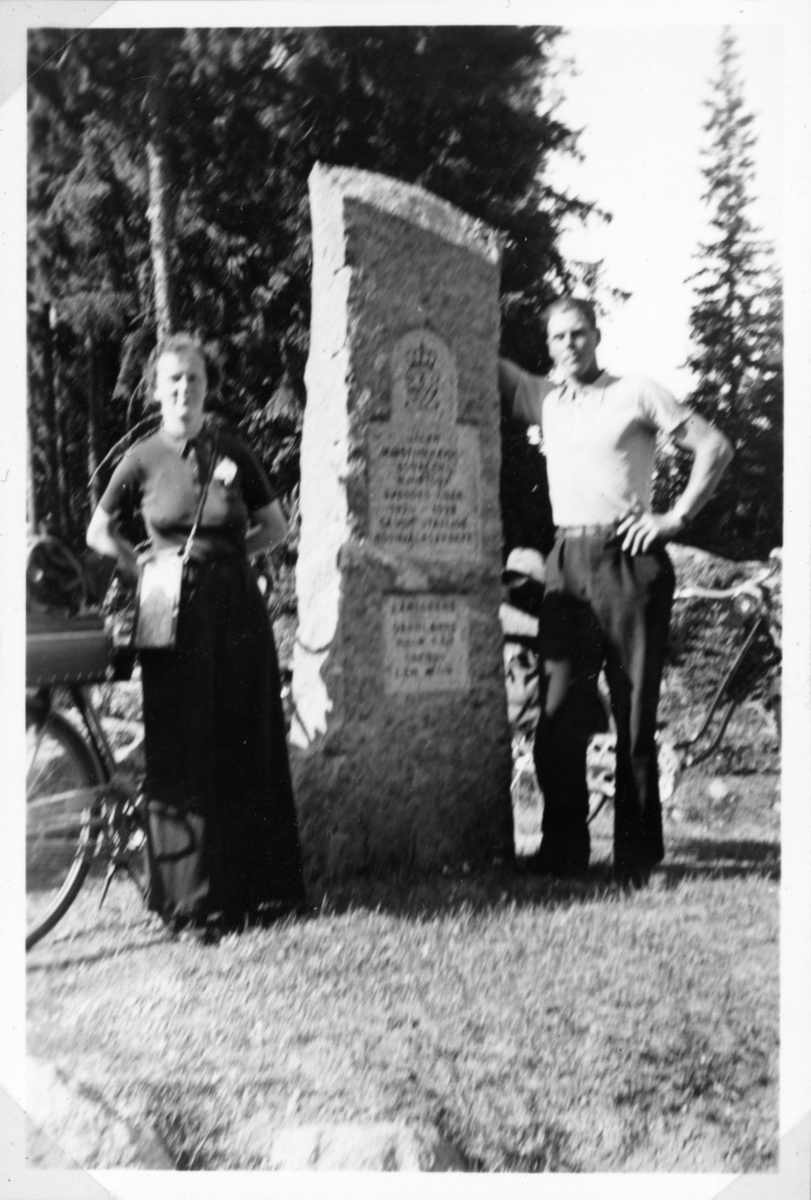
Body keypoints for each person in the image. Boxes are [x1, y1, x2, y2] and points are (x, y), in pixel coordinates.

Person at [499, 298, 733, 885]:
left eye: (578, 333)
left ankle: (636, 857)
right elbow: (477, 350)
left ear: (597, 334)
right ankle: (562, 852)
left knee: (632, 712)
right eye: (556, 337)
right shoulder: (543, 398)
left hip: (630, 561)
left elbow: (715, 447)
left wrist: (673, 519)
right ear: (547, 345)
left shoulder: (637, 392)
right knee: (557, 711)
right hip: (566, 563)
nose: (568, 344)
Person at [87, 333, 306, 935]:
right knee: (182, 745)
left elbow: (274, 526)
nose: (184, 389)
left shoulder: (232, 449)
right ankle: (192, 900)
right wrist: (142, 567)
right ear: (157, 390)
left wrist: (231, 557)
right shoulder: (140, 457)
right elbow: (97, 532)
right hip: (166, 604)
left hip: (235, 605)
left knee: (244, 736)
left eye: (194, 379)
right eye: (173, 380)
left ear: (208, 387)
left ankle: (255, 892)